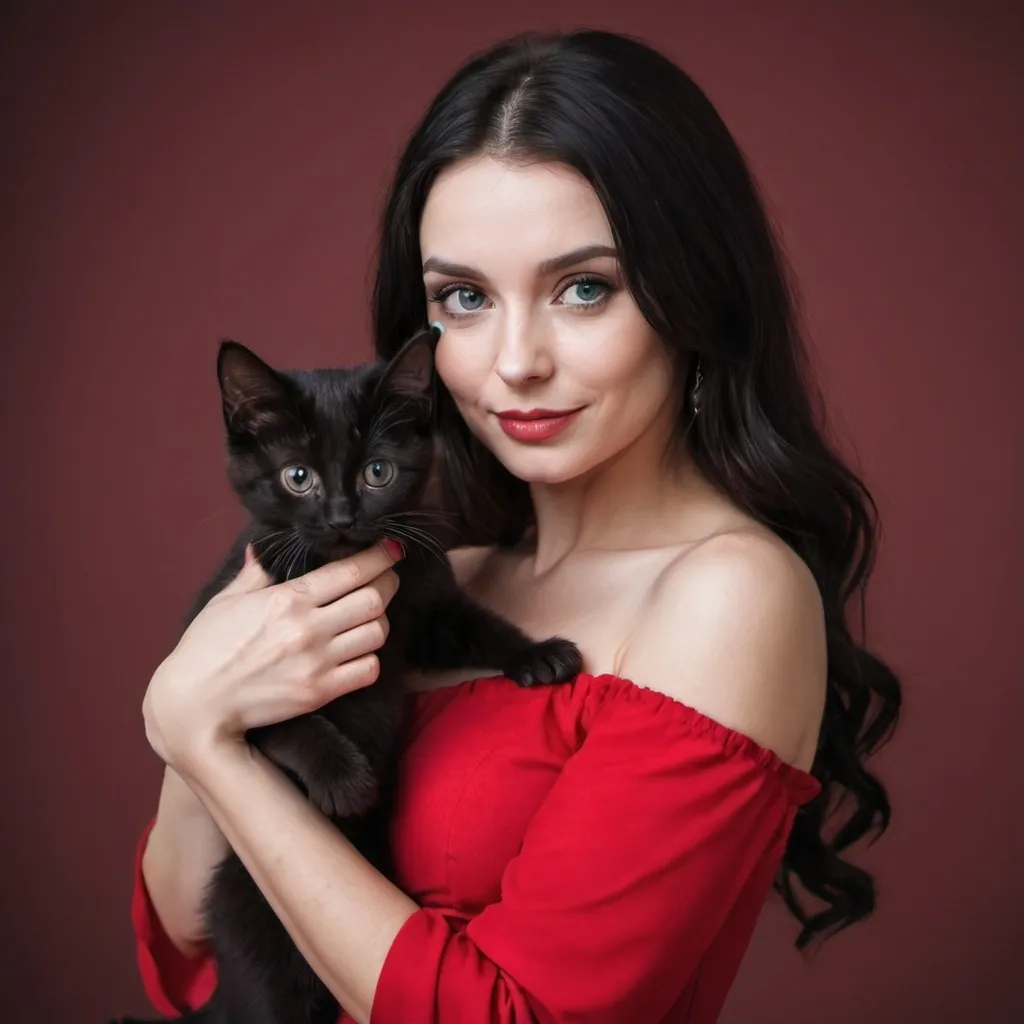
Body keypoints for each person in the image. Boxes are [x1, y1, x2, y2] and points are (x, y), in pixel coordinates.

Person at [128, 29, 901, 1024]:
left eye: (584, 287)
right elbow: (188, 942)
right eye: (463, 298)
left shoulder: (729, 594)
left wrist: (202, 738)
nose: (515, 360)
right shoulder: (444, 569)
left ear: (691, 293)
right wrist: (199, 724)